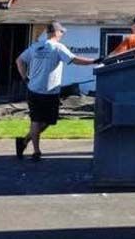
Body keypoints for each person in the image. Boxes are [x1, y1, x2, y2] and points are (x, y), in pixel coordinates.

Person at [14, 20, 96, 160]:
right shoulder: (58, 47)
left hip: (36, 90)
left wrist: (25, 79)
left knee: (46, 121)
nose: (62, 34)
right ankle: (36, 152)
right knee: (37, 121)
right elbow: (74, 60)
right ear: (56, 32)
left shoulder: (35, 47)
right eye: (61, 32)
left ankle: (24, 141)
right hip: (47, 92)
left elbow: (19, 61)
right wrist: (94, 61)